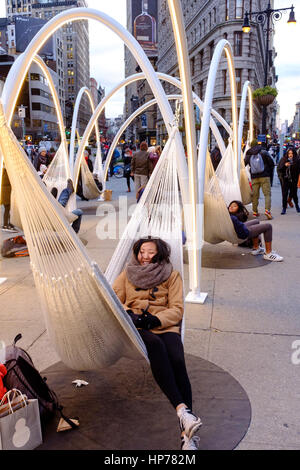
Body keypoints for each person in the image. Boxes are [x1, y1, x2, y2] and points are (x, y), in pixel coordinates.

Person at [113, 237, 202, 450]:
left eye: (150, 252)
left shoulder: (171, 275)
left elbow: (177, 308)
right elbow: (114, 299)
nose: (144, 256)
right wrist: (132, 316)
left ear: (159, 253)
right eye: (141, 252)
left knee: (177, 360)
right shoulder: (128, 273)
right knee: (155, 346)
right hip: (138, 326)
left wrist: (157, 319)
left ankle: (187, 434)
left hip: (164, 324)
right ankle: (183, 413)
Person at [244, 141, 274, 220]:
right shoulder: (263, 151)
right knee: (267, 194)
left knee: (255, 195)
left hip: (254, 177)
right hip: (265, 176)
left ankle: (254, 212)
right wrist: (268, 172)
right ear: (257, 144)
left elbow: (244, 163)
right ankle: (267, 211)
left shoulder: (249, 153)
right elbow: (271, 163)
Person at [277, 147, 300, 215]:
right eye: (289, 153)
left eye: (292, 153)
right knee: (285, 194)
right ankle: (284, 208)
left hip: (293, 180)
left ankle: (297, 206)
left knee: (294, 194)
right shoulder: (284, 159)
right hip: (285, 179)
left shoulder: (297, 160)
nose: (290, 155)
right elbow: (280, 168)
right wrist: (285, 165)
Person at [0, 166, 17, 232]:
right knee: (8, 209)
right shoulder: (8, 174)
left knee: (8, 209)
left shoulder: (3, 173)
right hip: (7, 194)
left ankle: (8, 223)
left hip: (4, 194)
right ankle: (6, 224)